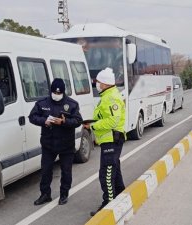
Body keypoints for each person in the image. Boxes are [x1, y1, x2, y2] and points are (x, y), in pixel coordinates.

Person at [29, 78, 83, 206]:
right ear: (51, 91)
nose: (56, 95)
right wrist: (44, 121)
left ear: (63, 92)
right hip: (49, 143)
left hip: (66, 145)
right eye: (55, 92)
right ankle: (45, 194)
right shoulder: (42, 103)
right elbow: (32, 117)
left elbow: (78, 121)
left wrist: (64, 122)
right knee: (46, 170)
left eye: (59, 93)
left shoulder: (71, 104)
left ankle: (64, 194)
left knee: (66, 171)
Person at [84, 68, 126, 216]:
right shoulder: (107, 95)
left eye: (98, 82)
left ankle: (108, 203)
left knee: (106, 174)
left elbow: (112, 121)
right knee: (115, 170)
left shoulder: (111, 97)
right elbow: (105, 117)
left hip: (111, 139)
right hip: (109, 139)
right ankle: (121, 195)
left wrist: (93, 126)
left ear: (105, 83)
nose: (96, 84)